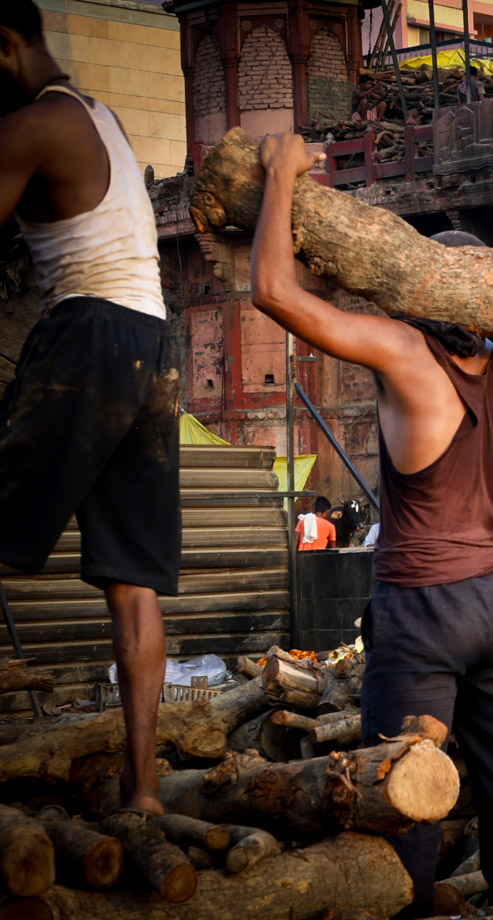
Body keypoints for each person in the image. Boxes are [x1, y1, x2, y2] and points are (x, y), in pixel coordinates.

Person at [250, 133, 493, 916]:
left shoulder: (406, 355)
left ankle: (410, 913)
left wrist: (282, 178)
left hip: (425, 610)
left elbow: (275, 295)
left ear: (422, 291)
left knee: (404, 787)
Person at [0, 2, 180, 819]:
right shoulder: (99, 116)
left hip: (89, 334)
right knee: (133, 584)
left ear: (2, 48)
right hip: (152, 344)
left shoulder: (32, 127)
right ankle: (143, 792)